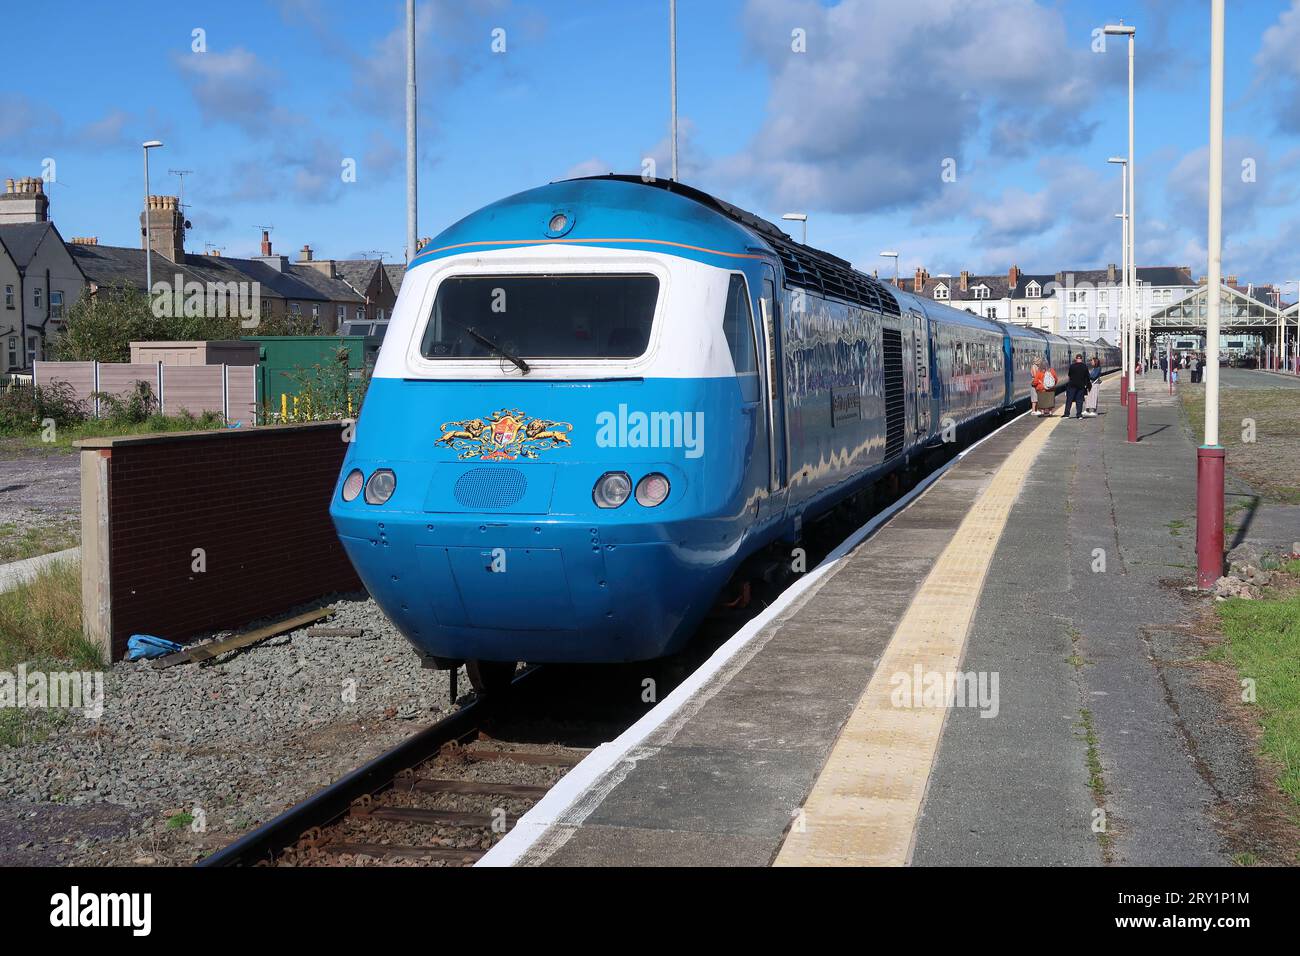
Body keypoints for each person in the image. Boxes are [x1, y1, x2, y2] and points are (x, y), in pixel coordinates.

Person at [1065, 353, 1089, 420]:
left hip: (1072, 385)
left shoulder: (1072, 366)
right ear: (1081, 359)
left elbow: (1069, 375)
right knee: (1079, 400)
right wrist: (1086, 385)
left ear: (1076, 359)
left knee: (1069, 400)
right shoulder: (1085, 366)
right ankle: (1079, 415)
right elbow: (1087, 377)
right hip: (1081, 386)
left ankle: (1067, 414)